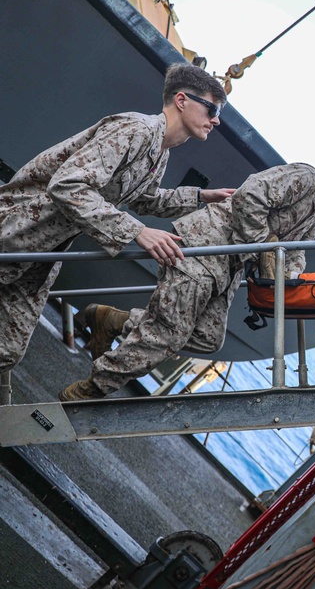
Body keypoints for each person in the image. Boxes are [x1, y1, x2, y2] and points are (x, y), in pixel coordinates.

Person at [58, 158, 315, 401]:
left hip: (227, 268)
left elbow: (297, 249)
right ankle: (91, 388)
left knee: (208, 338)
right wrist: (264, 244)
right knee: (167, 333)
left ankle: (113, 320)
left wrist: (292, 277)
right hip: (205, 246)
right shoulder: (306, 177)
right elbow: (250, 195)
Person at [0, 63, 233, 375]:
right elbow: (68, 185)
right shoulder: (135, 130)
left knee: (7, 350)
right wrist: (137, 231)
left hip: (42, 255)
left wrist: (203, 196)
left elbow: (145, 199)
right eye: (212, 109)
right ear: (182, 100)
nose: (216, 120)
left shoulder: (159, 149)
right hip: (15, 231)